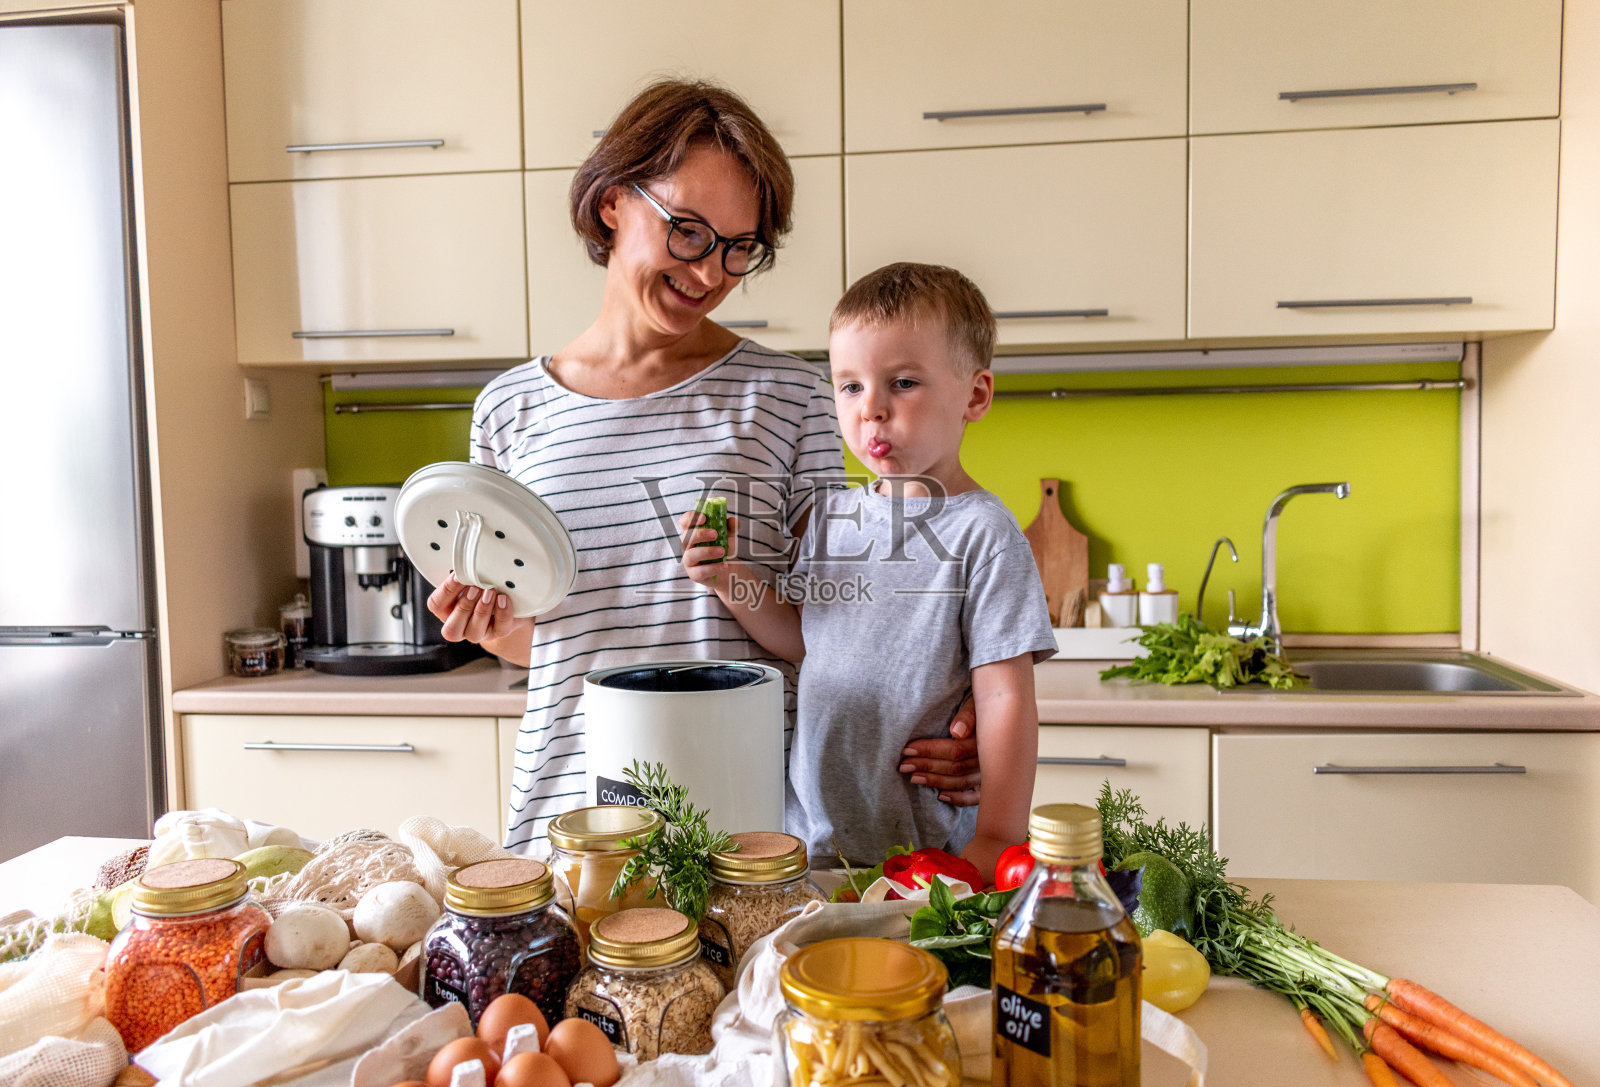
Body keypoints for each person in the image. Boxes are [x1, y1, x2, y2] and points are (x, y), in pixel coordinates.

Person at [426, 82, 980, 852]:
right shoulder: (509, 409)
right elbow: (549, 639)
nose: (711, 271)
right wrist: (491, 627)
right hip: (572, 811)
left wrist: (960, 701)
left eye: (737, 247)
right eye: (687, 231)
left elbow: (839, 618)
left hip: (748, 821)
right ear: (614, 200)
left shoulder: (787, 394)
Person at [680, 262, 1057, 881]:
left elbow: (1005, 695)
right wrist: (730, 577)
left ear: (976, 395)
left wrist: (997, 835)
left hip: (928, 853)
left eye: (902, 382)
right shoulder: (832, 517)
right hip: (810, 843)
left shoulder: (984, 534)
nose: (872, 410)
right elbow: (806, 640)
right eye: (850, 387)